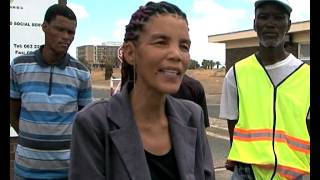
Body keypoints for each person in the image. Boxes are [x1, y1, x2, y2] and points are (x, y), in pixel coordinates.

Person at [69, 1, 215, 180]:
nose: (176, 55)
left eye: (184, 46)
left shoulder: (193, 116)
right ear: (130, 53)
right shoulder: (93, 123)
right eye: (161, 42)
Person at [219, 0, 310, 179]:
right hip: (246, 171)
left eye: (278, 18)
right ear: (254, 24)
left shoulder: (306, 76)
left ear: (289, 25)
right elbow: (233, 121)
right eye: (263, 17)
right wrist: (235, 157)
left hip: (291, 172)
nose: (270, 23)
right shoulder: (236, 74)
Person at [10, 4, 93, 179]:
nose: (66, 37)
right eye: (60, 29)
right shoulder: (19, 66)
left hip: (68, 172)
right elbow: (13, 112)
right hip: (26, 170)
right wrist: (31, 140)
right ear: (45, 27)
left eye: (70, 32)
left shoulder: (82, 73)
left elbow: (84, 123)